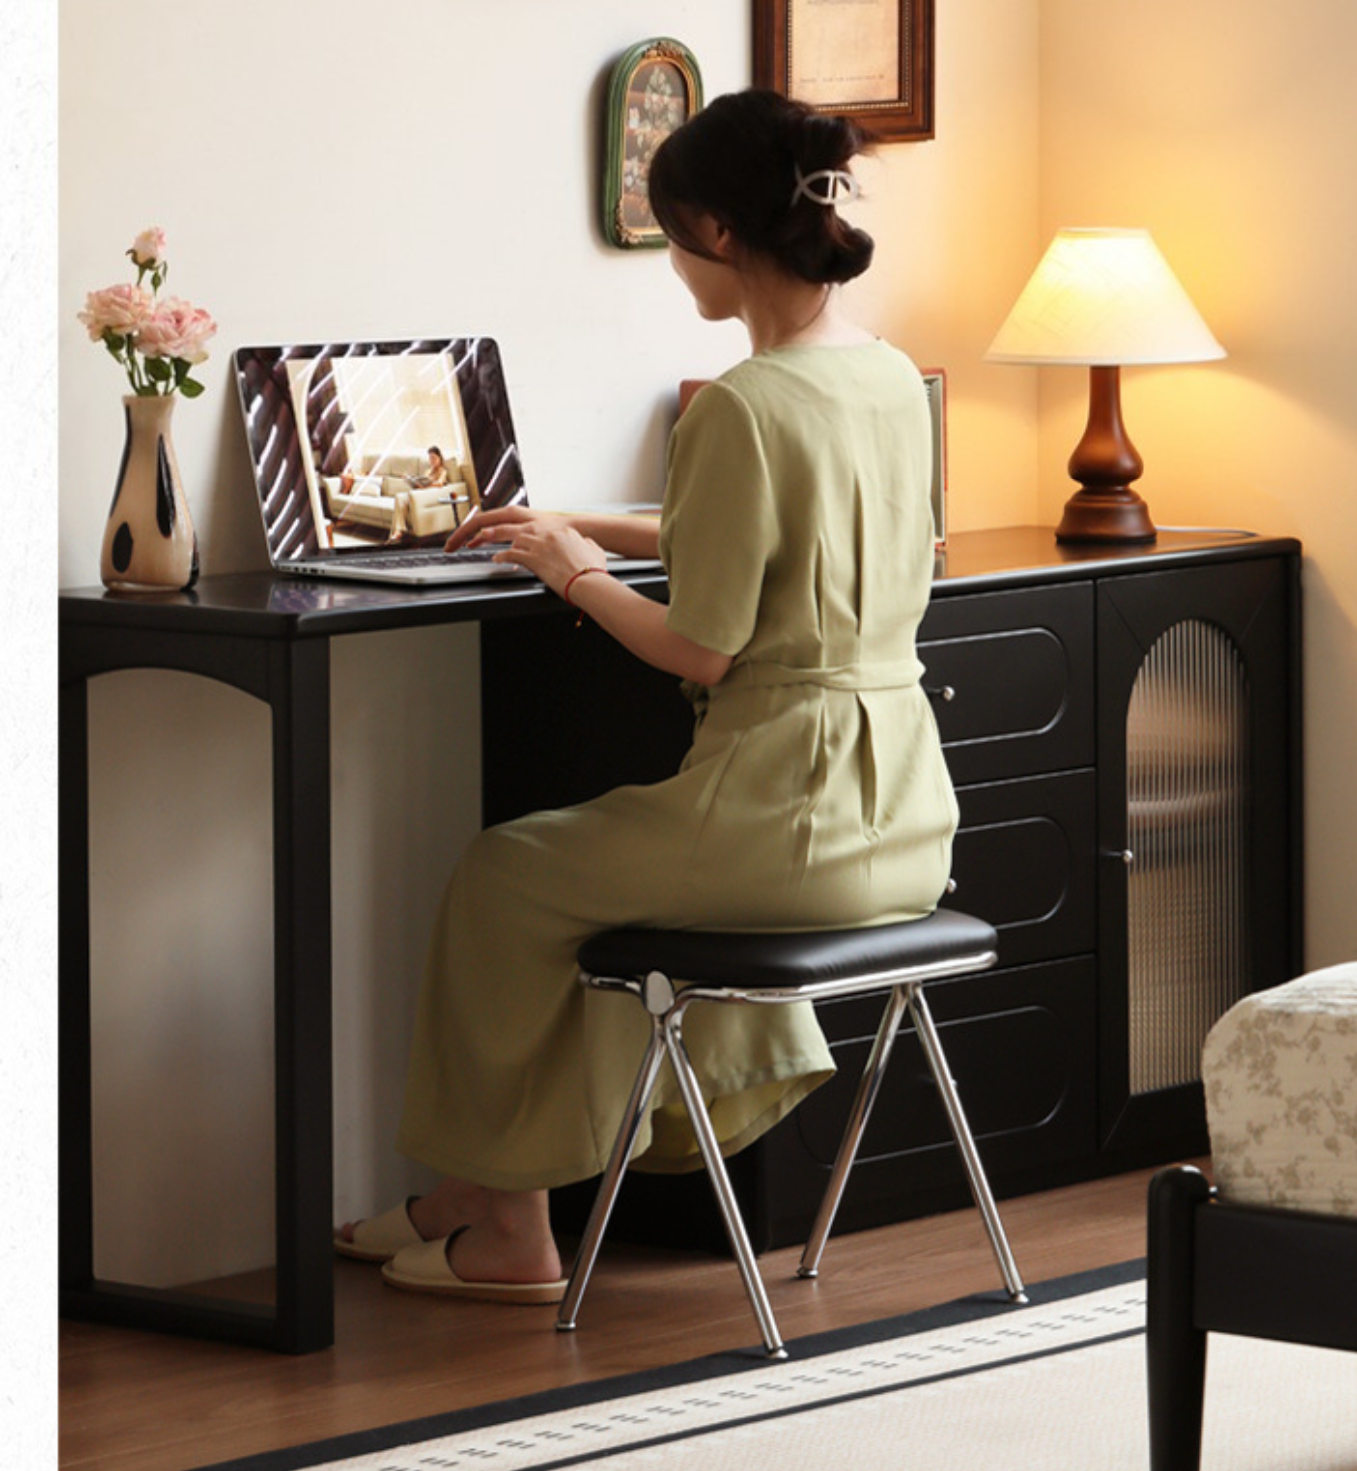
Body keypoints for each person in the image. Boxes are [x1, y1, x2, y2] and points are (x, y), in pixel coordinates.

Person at [335, 89, 958, 1301]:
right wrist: (575, 517)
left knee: (503, 878)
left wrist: (570, 573)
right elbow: (761, 538)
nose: (674, 268)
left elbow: (702, 649)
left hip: (779, 817)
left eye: (674, 237)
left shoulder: (736, 406)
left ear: (718, 234)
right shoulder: (884, 378)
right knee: (582, 887)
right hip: (901, 818)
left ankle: (510, 1229)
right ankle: (474, 1191)